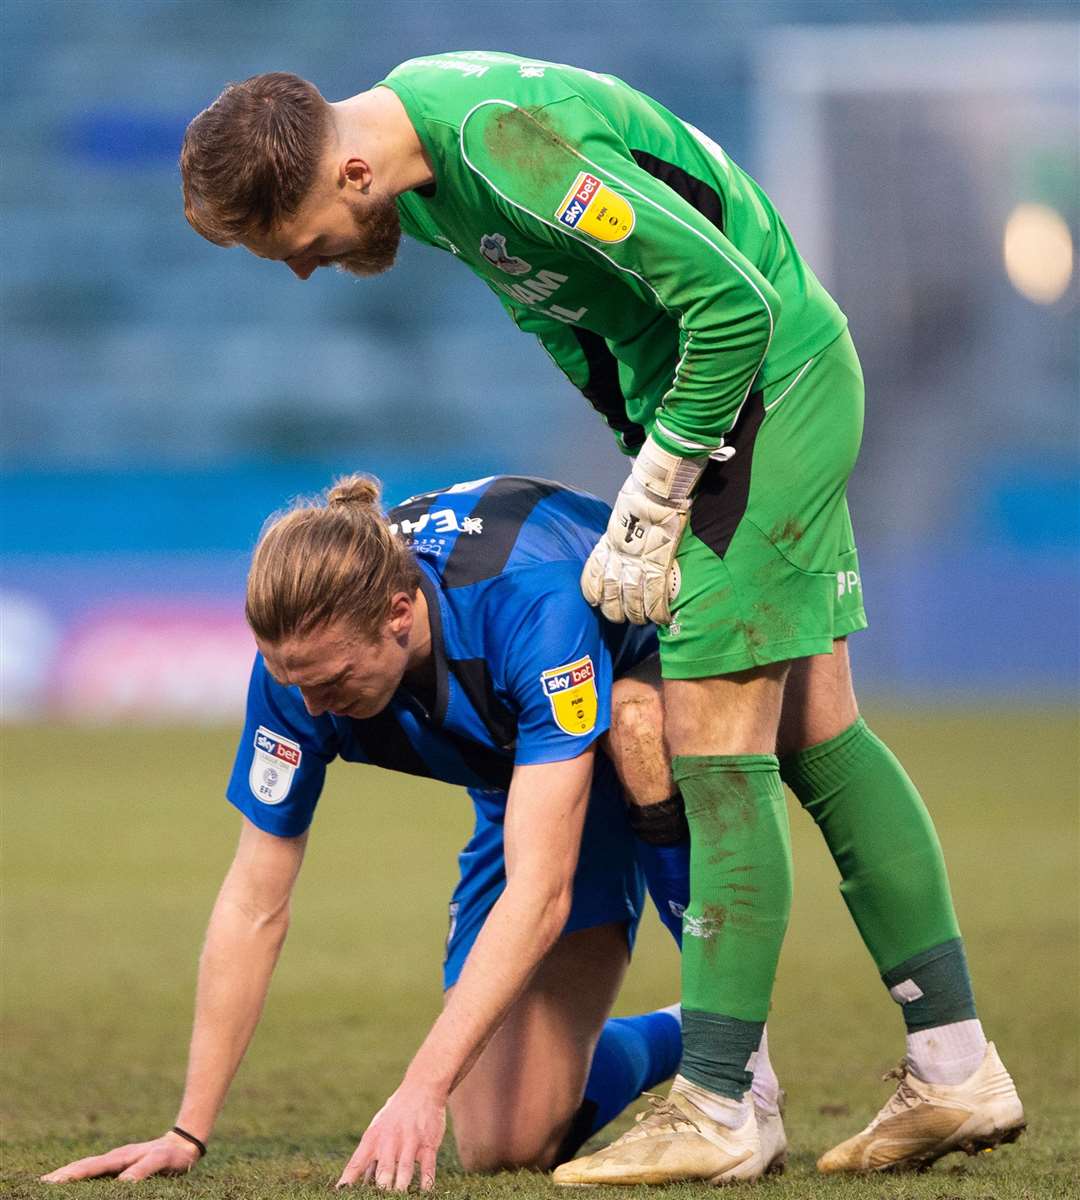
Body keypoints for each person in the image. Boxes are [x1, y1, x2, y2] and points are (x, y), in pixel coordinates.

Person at [178, 52, 1025, 1183]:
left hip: (760, 392)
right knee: (818, 735)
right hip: (722, 409)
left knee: (711, 741)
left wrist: (666, 484)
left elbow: (733, 299)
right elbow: (584, 325)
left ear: (354, 171)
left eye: (298, 242)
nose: (304, 271)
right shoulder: (428, 185)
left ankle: (723, 1103)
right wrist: (643, 458)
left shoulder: (500, 145)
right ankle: (955, 1066)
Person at [41, 472, 788, 1191]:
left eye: (331, 683)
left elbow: (541, 893)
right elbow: (252, 904)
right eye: (292, 681)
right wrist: (188, 1131)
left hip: (640, 699)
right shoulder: (301, 673)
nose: (312, 707)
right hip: (518, 778)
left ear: (400, 614)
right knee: (504, 1143)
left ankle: (733, 1054)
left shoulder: (529, 605)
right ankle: (686, 1027)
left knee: (636, 723)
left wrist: (419, 1087)